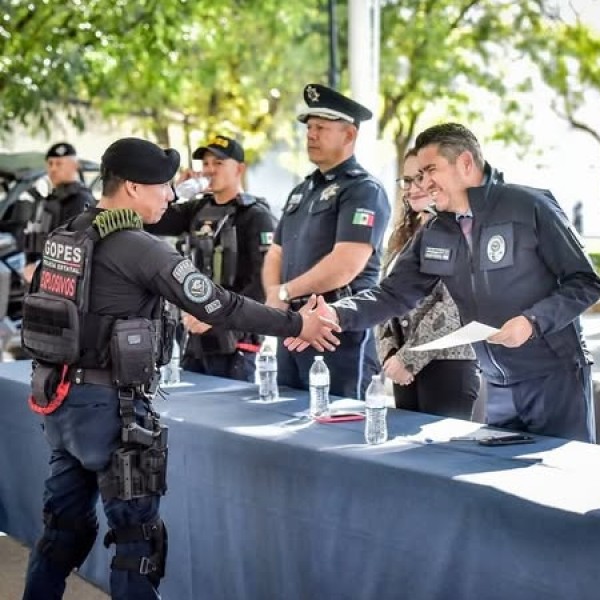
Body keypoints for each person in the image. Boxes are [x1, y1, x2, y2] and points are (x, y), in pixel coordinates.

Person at [21, 137, 338, 600]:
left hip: (60, 402)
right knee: (137, 542)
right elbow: (219, 304)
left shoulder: (66, 235)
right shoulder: (138, 247)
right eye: (164, 186)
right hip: (112, 412)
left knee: (61, 532)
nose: (171, 196)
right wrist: (297, 323)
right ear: (133, 187)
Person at [294, 122, 600, 442]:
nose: (423, 183)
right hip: (498, 385)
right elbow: (392, 294)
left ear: (466, 163)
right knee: (499, 473)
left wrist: (532, 322)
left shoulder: (529, 206)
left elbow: (586, 282)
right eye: (420, 174)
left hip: (555, 379)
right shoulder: (437, 230)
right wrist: (336, 313)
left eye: (431, 170)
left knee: (564, 472)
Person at [262, 83, 390, 399]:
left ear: (349, 135)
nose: (311, 135)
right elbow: (276, 253)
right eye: (309, 127)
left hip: (336, 331)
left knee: (338, 420)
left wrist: (285, 291)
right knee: (284, 412)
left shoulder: (363, 190)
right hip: (293, 324)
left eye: (321, 128)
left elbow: (346, 265)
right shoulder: (301, 191)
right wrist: (275, 296)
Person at [146, 134, 276, 382]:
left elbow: (262, 283)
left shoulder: (255, 215)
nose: (209, 170)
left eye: (218, 163)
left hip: (234, 340)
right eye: (205, 163)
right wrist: (173, 192)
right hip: (194, 336)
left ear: (239, 169)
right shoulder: (196, 209)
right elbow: (150, 221)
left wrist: (217, 315)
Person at [378, 149, 479, 419]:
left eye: (420, 178)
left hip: (448, 363)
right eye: (407, 180)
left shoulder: (461, 229)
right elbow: (386, 295)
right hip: (402, 365)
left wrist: (407, 359)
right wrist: (389, 353)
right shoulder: (401, 235)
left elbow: (453, 306)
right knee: (404, 443)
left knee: (441, 447)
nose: (412, 188)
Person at [22, 142, 95, 282]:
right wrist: (31, 264)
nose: (53, 169)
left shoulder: (81, 200)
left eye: (59, 164)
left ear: (74, 166)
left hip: (63, 281)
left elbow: (77, 250)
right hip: (43, 278)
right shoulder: (49, 200)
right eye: (50, 164)